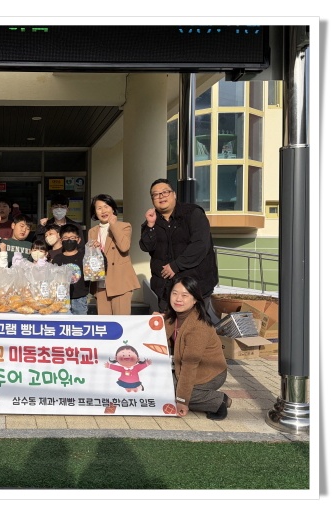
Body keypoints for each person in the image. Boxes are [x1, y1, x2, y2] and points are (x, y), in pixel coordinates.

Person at [139, 178, 220, 323]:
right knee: (169, 330)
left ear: (174, 194)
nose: (161, 196)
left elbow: (200, 245)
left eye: (165, 192)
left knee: (195, 328)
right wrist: (150, 226)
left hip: (195, 287)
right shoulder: (152, 220)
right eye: (156, 194)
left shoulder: (193, 213)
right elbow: (146, 246)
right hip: (166, 289)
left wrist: (176, 266)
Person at [163, 276, 231, 420]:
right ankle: (204, 397)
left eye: (184, 295)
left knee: (170, 391)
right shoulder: (172, 317)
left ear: (195, 299)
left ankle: (217, 401)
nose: (178, 299)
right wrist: (153, 321)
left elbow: (189, 366)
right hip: (182, 369)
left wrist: (182, 401)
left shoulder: (198, 327)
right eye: (175, 293)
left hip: (209, 373)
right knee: (159, 384)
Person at [88, 193, 140, 315]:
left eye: (106, 206)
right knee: (105, 322)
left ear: (113, 208)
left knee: (121, 321)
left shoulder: (124, 226)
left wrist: (113, 225)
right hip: (100, 282)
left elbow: (124, 247)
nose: (103, 211)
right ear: (95, 212)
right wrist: (93, 249)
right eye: (99, 208)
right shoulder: (92, 231)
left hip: (120, 281)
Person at [52, 224, 89, 315]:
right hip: (62, 299)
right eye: (65, 238)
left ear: (78, 240)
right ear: (61, 240)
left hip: (80, 298)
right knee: (63, 322)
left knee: (80, 322)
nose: (69, 240)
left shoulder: (84, 256)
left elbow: (99, 268)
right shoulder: (57, 258)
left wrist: (97, 250)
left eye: (72, 237)